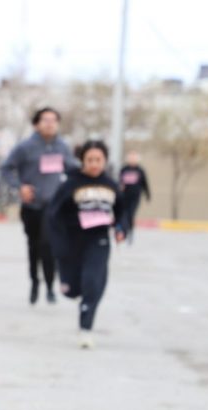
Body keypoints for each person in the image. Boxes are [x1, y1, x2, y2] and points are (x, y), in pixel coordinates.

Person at [45, 140, 128, 349]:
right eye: (90, 160)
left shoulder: (110, 185)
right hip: (72, 242)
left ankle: (86, 328)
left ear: (105, 161)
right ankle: (76, 293)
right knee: (71, 290)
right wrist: (58, 244)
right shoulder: (71, 184)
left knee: (93, 282)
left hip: (98, 240)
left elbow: (121, 212)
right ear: (83, 160)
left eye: (98, 160)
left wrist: (121, 229)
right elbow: (54, 214)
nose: (94, 164)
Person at [0, 107, 77, 305]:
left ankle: (50, 286)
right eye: (45, 120)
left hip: (54, 207)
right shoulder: (25, 147)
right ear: (36, 124)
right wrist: (20, 187)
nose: (50, 124)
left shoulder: (62, 147)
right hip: (32, 206)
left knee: (48, 244)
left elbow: (73, 168)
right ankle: (35, 282)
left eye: (54, 120)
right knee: (34, 245)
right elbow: (6, 168)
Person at [118, 150, 151, 242]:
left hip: (135, 197)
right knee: (124, 214)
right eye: (130, 157)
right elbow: (119, 181)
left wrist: (148, 195)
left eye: (134, 157)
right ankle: (124, 230)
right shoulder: (124, 169)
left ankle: (130, 231)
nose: (132, 159)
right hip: (124, 196)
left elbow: (145, 183)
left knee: (131, 214)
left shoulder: (140, 170)